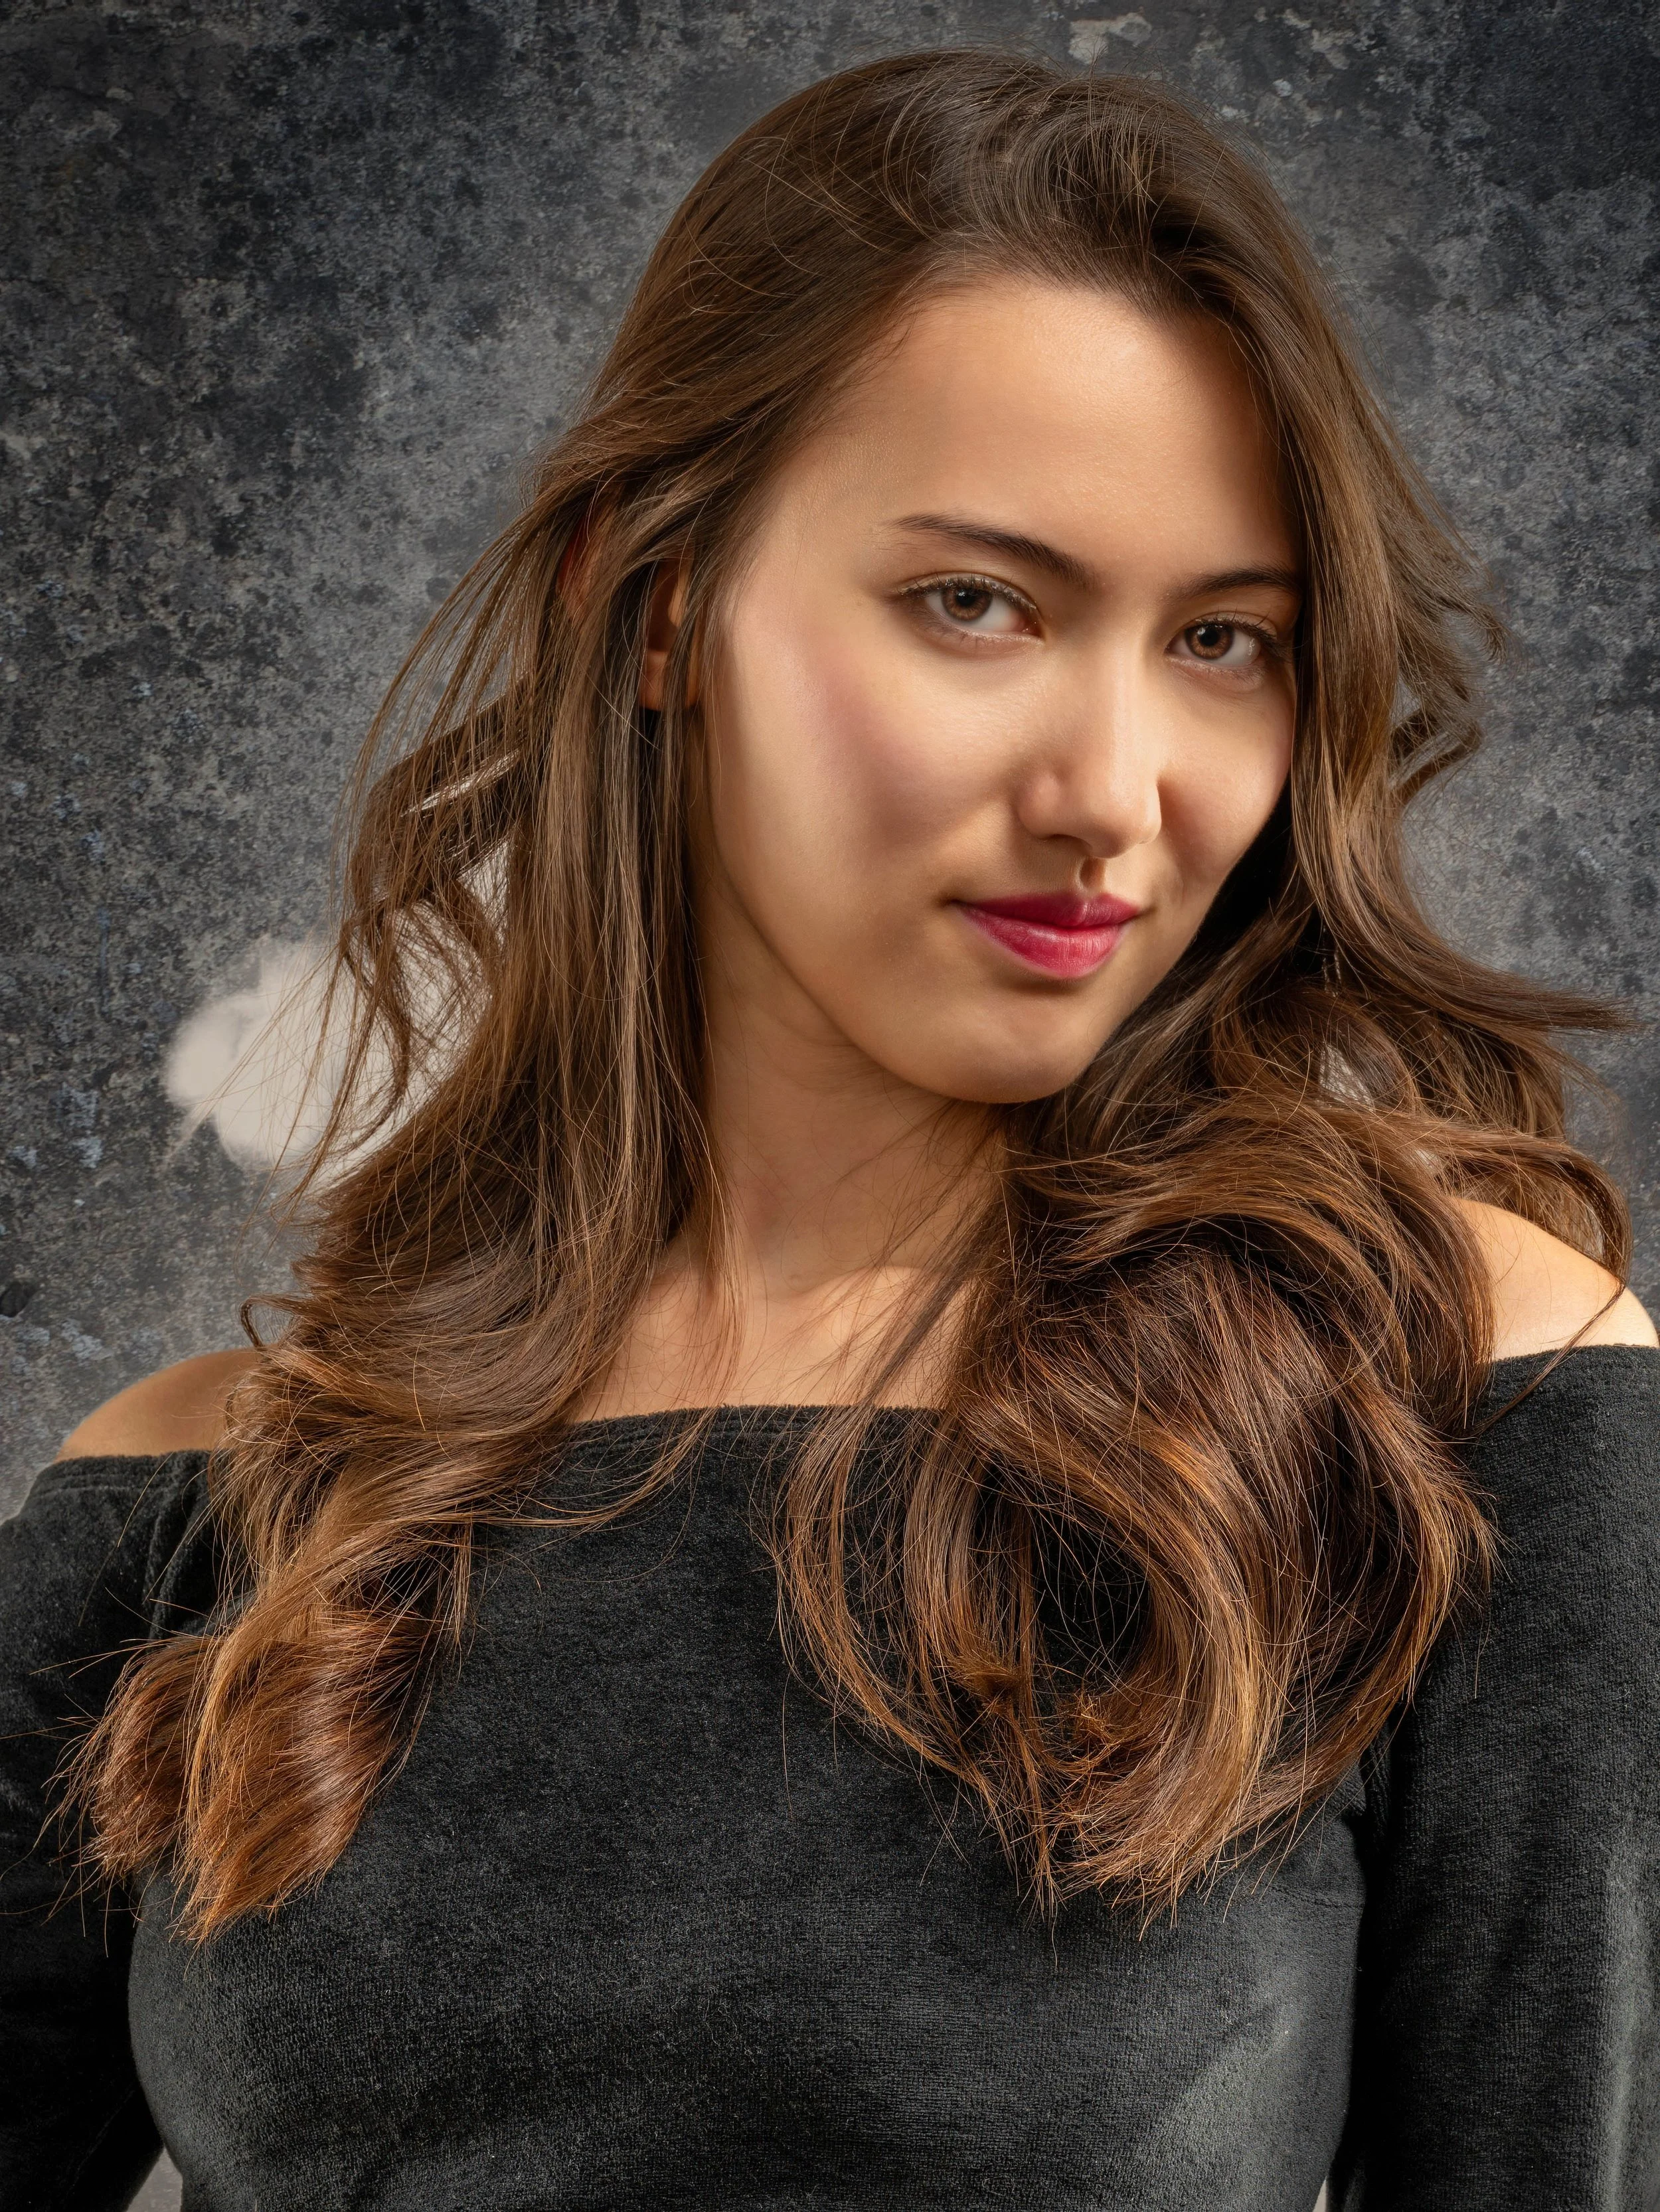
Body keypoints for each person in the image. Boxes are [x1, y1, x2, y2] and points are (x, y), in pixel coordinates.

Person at [3, 48, 1656, 2212]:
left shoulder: (1457, 1394)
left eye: (1224, 640)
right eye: (977, 602)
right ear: (661, 598)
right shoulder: (214, 1494)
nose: (1113, 785)